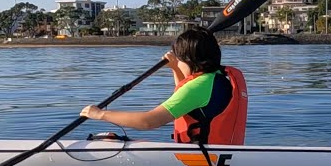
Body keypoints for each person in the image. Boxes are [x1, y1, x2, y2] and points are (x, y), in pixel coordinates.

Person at [81, 28, 247, 146]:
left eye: (179, 59)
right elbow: (190, 101)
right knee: (113, 139)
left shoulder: (198, 86)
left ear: (190, 60)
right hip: (212, 151)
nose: (178, 62)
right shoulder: (215, 78)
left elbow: (149, 122)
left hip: (203, 157)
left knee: (111, 140)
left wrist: (101, 114)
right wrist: (175, 67)